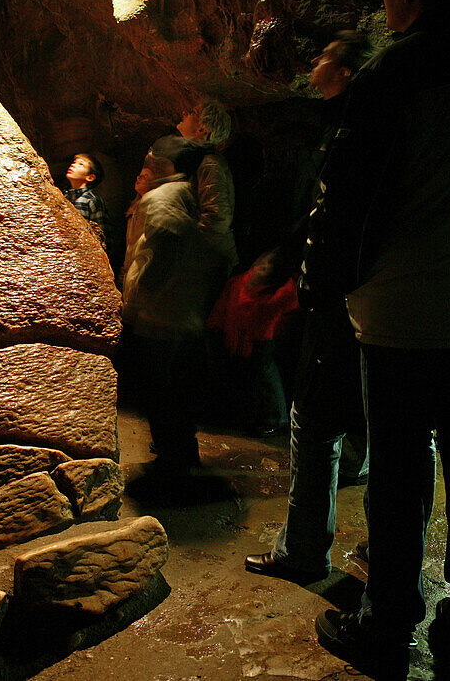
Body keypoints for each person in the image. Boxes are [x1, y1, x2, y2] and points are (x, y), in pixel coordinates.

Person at [283, 0, 450, 677]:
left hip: (397, 313)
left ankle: (389, 618)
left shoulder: (391, 74)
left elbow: (346, 199)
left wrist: (320, 292)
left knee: (399, 468)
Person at [243, 30, 375, 592]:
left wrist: (289, 262)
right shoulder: (349, 124)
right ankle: (364, 533)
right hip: (359, 295)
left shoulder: (352, 127)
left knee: (314, 422)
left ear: (343, 72)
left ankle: (303, 551)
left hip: (341, 297)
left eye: (322, 54)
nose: (313, 60)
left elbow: (332, 212)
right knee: (365, 417)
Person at [122, 136, 214, 472]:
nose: (147, 159)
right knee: (176, 390)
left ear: (169, 166)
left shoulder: (161, 197)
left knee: (163, 391)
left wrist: (142, 287)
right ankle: (179, 450)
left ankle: (174, 459)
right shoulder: (181, 193)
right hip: (180, 312)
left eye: (154, 156)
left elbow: (167, 237)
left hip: (161, 314)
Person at [206, 249, 299, 438]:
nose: (262, 268)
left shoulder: (278, 292)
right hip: (236, 341)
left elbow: (289, 304)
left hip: (261, 344)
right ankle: (250, 417)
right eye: (262, 264)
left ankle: (277, 419)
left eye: (268, 268)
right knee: (247, 381)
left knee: (265, 380)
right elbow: (222, 307)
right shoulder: (238, 283)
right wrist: (214, 325)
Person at [176, 99, 239, 287]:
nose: (184, 114)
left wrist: (188, 252)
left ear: (202, 129)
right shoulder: (199, 161)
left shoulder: (210, 165)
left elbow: (217, 219)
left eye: (192, 113)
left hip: (209, 264)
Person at [63, 153, 113, 254]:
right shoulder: (64, 198)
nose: (73, 165)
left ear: (90, 177)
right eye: (74, 162)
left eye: (81, 164)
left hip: (85, 253)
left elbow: (103, 233)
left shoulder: (91, 200)